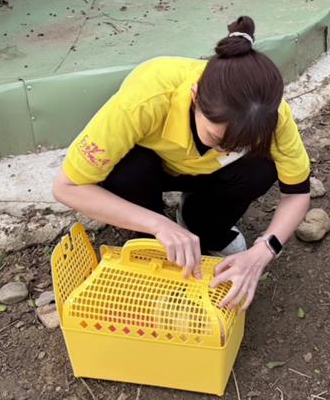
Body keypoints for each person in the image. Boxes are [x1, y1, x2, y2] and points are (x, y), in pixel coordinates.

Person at [53, 16, 311, 310]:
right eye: (218, 137)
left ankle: (200, 222)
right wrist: (158, 225)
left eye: (240, 145)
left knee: (262, 168)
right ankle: (151, 239)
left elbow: (297, 193)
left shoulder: (271, 113)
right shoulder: (146, 97)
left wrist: (264, 250)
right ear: (195, 96)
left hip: (208, 175)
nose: (228, 149)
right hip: (149, 170)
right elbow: (66, 187)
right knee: (126, 170)